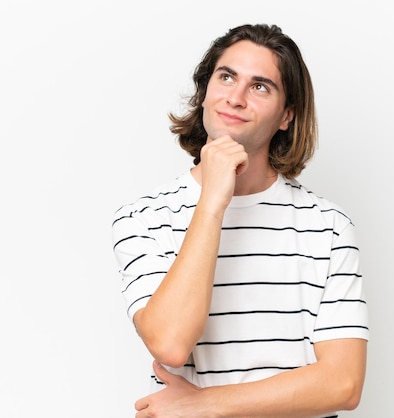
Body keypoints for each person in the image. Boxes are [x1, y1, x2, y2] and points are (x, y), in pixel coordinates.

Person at [112, 23, 369, 418]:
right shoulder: (144, 218)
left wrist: (205, 405)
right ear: (204, 93)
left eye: (260, 86)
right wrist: (214, 201)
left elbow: (343, 384)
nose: (235, 98)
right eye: (226, 77)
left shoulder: (328, 227)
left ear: (286, 116)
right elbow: (170, 343)